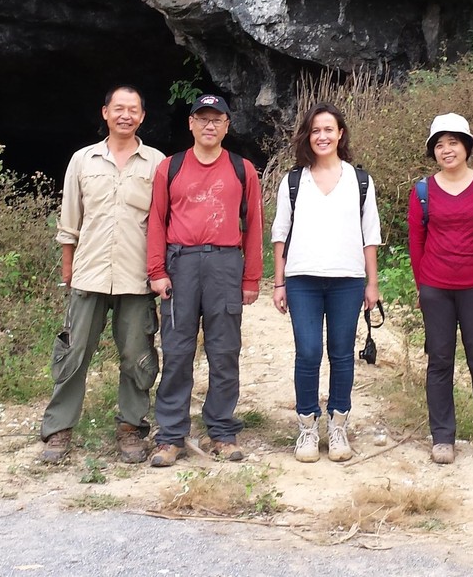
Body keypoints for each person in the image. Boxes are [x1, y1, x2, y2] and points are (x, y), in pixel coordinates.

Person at [40, 85, 166, 464]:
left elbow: (162, 223)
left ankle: (131, 429)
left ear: (142, 116)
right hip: (88, 274)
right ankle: (58, 430)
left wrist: (160, 272)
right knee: (74, 353)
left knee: (136, 355)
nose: (125, 115)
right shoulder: (83, 160)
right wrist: (68, 271)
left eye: (133, 110)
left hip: (136, 277)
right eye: (118, 108)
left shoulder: (157, 163)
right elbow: (69, 222)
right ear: (105, 113)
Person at [146, 94, 264, 466]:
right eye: (203, 118)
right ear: (191, 124)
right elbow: (156, 221)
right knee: (178, 351)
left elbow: (254, 226)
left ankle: (222, 432)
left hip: (225, 263)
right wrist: (156, 271)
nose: (209, 125)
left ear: (228, 126)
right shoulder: (171, 167)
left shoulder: (242, 169)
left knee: (224, 351)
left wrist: (251, 278)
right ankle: (170, 435)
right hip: (180, 264)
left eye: (217, 119)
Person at [271, 103, 381, 463]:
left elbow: (370, 236)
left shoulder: (359, 180)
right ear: (308, 135)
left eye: (329, 129)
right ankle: (306, 427)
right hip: (302, 278)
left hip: (347, 280)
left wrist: (372, 284)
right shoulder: (293, 181)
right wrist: (279, 282)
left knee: (341, 353)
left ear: (341, 134)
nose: (322, 136)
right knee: (308, 351)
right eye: (316, 130)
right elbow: (280, 233)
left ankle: (337, 425)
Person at [408, 113, 473, 466]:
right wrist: (422, 286)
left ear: (467, 146)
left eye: (453, 142)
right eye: (439, 144)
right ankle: (442, 438)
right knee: (439, 362)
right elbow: (416, 243)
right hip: (436, 287)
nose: (446, 150)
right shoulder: (422, 191)